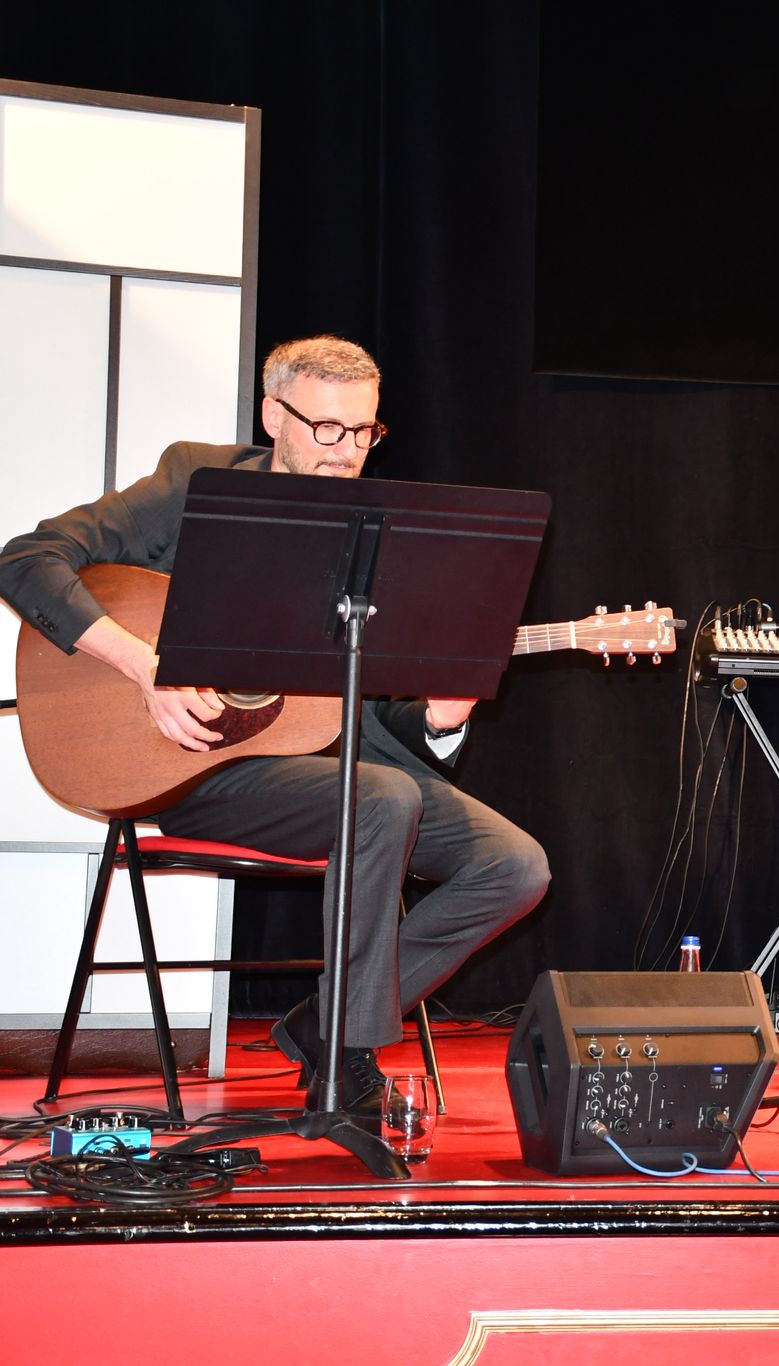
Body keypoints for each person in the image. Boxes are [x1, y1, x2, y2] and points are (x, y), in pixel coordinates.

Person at [0, 336, 550, 1120]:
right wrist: (143, 664)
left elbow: (359, 709)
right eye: (326, 428)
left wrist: (439, 717)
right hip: (192, 767)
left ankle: (323, 1024)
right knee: (382, 797)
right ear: (273, 415)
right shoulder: (196, 481)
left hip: (336, 771)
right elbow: (27, 559)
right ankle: (348, 1062)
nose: (345, 452)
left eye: (362, 432)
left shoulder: (379, 528)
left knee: (516, 867)